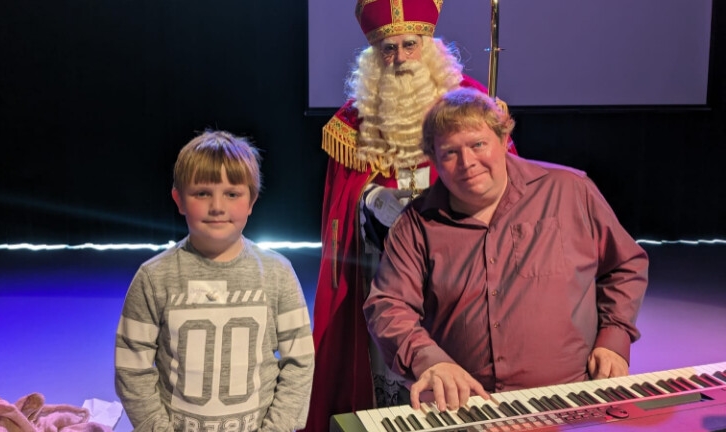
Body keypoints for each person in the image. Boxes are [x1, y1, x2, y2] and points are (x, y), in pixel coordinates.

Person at [363, 87, 649, 413]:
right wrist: (428, 360)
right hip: (466, 410)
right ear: (435, 160)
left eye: (478, 144)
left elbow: (625, 266)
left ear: (502, 138)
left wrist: (614, 338)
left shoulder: (570, 191)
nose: (467, 163)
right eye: (450, 153)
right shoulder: (415, 223)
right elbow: (387, 305)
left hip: (570, 406)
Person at [306, 0, 518, 429]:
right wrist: (370, 204)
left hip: (461, 268)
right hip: (383, 268)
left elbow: (508, 189)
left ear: (429, 44)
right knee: (391, 371)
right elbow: (342, 208)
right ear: (374, 55)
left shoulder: (474, 106)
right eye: (388, 49)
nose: (400, 58)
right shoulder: (352, 122)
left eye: (409, 45)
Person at [114, 130, 315, 432]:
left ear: (251, 201)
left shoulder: (278, 273)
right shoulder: (153, 277)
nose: (217, 206)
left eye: (232, 194)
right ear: (179, 200)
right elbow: (132, 370)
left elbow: (299, 362)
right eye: (202, 193)